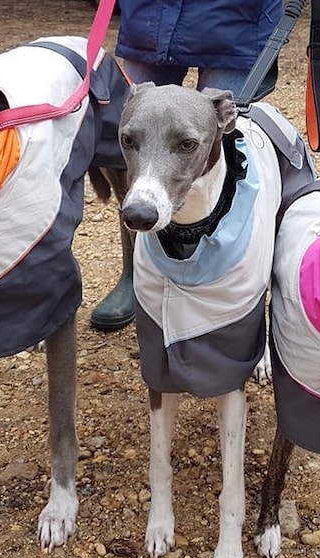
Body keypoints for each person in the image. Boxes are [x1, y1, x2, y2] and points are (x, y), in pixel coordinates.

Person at [89, 0, 283, 330]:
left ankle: (243, 296)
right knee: (141, 138)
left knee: (229, 159)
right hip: (150, 17)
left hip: (237, 19)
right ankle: (136, 272)